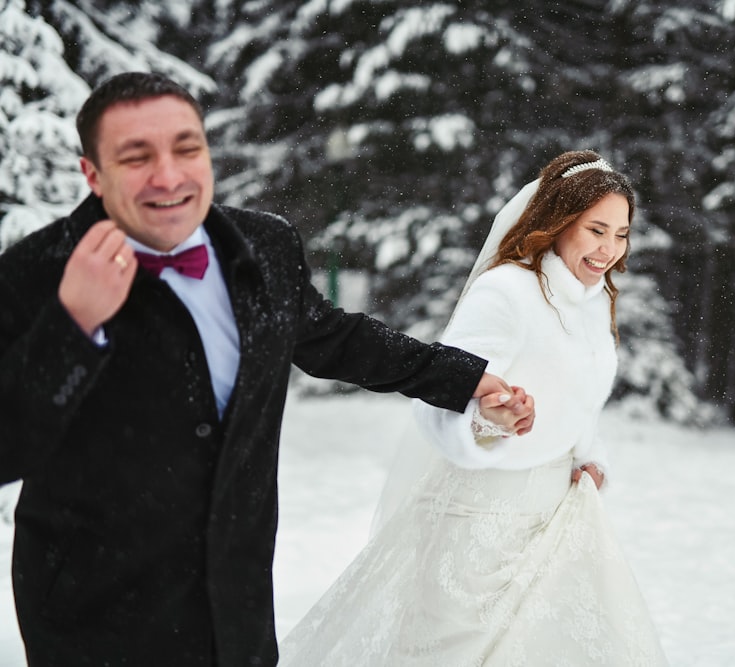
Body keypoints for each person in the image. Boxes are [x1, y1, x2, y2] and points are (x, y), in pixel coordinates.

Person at [0, 71, 533, 667]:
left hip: (235, 610)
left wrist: (463, 379)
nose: (169, 176)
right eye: (136, 156)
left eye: (186, 148)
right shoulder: (31, 277)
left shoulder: (265, 247)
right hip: (93, 623)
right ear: (92, 174)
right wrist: (71, 327)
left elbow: (337, 339)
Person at [278, 150, 668, 665]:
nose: (610, 250)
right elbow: (437, 406)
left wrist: (587, 457)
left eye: (621, 234)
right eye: (596, 230)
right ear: (559, 221)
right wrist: (489, 419)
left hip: (554, 528)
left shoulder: (594, 301)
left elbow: (580, 400)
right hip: (477, 532)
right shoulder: (506, 294)